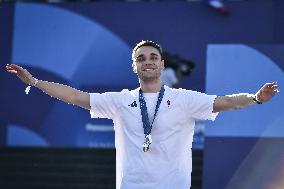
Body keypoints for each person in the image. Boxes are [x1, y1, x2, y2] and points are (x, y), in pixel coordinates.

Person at [6, 40, 279, 189]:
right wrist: (35, 82)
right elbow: (75, 96)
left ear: (161, 64)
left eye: (152, 57)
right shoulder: (121, 100)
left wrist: (255, 98)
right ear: (134, 67)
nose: (147, 61)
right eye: (141, 58)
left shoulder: (183, 99)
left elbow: (225, 102)